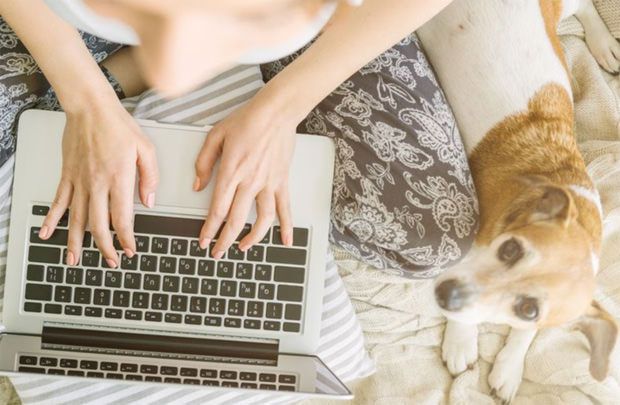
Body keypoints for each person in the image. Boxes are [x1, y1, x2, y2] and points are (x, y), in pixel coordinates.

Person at [0, 0, 478, 277]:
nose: (177, 79)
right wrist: (87, 100)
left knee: (427, 237)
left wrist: (285, 105)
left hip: (328, 33)